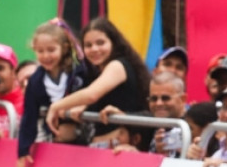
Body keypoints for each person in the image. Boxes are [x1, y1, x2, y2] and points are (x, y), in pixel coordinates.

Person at [46, 16, 151, 144]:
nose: (94, 49)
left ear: (114, 42)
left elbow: (92, 94)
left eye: (100, 43)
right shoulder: (96, 71)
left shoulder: (117, 65)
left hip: (121, 149)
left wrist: (56, 106)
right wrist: (82, 106)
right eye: (88, 45)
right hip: (99, 148)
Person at [16, 20, 88, 167]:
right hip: (56, 138)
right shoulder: (35, 81)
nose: (46, 56)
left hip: (84, 134)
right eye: (40, 51)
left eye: (51, 50)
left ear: (64, 48)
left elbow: (91, 94)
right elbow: (29, 115)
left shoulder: (78, 72)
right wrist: (23, 150)